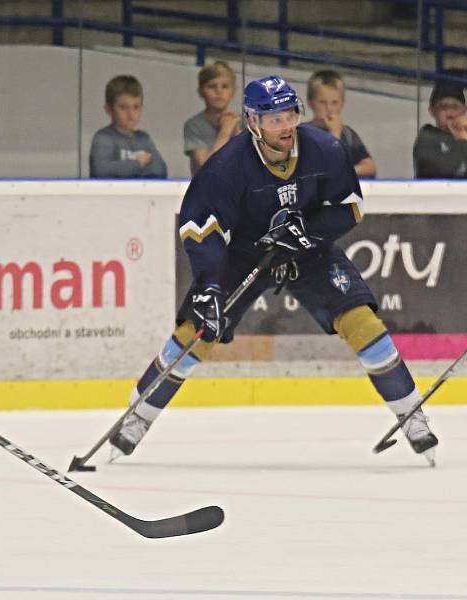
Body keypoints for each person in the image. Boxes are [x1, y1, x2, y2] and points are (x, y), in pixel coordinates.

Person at [107, 75, 438, 466]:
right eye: (273, 118)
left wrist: (307, 234)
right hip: (245, 255)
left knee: (362, 322)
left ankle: (411, 413)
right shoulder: (228, 166)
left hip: (305, 249)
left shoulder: (324, 149)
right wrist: (210, 284)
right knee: (196, 332)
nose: (284, 126)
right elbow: (201, 229)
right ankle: (137, 417)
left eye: (289, 115)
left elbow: (349, 206)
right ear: (253, 122)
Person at [413, 82, 467, 179]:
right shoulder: (427, 136)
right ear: (432, 111)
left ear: (464, 110)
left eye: (455, 107)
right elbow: (443, 172)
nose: (450, 114)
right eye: (444, 107)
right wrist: (462, 143)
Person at [89, 75, 167, 179]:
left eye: (136, 107)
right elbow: (101, 171)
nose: (131, 114)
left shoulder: (144, 139)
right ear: (108, 109)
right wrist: (137, 164)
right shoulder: (103, 138)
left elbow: (160, 170)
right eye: (123, 107)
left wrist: (123, 170)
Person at [305, 69, 377, 178]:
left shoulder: (348, 134)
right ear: (310, 103)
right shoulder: (304, 134)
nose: (329, 108)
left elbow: (370, 167)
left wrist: (346, 170)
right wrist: (335, 134)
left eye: (334, 103)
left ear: (342, 104)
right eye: (322, 102)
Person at [183, 61, 242, 177]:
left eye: (225, 86)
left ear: (233, 92)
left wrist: (238, 136)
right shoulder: (194, 125)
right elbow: (207, 167)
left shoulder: (242, 122)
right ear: (201, 92)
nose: (219, 92)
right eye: (211, 86)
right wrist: (224, 132)